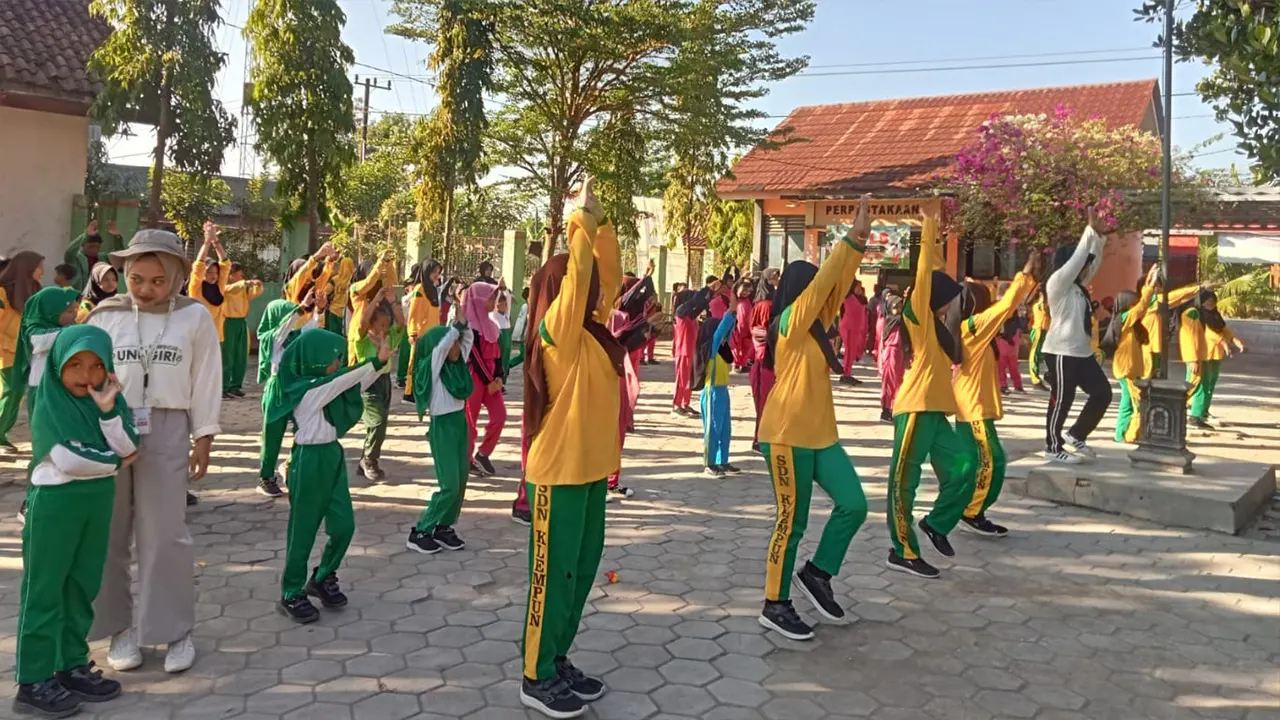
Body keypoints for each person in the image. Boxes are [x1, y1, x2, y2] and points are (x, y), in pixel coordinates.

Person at [88, 229, 221, 674]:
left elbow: (205, 376)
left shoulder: (194, 317)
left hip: (167, 426)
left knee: (164, 532)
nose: (145, 289)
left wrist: (203, 435)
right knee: (108, 532)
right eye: (137, 278)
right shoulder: (104, 316)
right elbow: (82, 376)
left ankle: (173, 629)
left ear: (179, 277)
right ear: (124, 273)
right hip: (109, 426)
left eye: (158, 281)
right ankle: (118, 628)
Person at [519, 178, 623, 718]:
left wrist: (601, 224)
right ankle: (535, 673)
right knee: (550, 576)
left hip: (589, 474)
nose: (594, 296)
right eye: (580, 291)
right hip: (557, 476)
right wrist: (577, 221)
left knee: (581, 572)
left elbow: (607, 275)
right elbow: (581, 273)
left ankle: (558, 656)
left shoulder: (594, 334)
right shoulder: (556, 334)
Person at [755, 197, 871, 642]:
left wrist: (857, 242)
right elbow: (826, 283)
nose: (825, 299)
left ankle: (818, 573)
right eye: (815, 292)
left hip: (821, 436)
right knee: (792, 520)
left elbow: (835, 285)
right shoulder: (789, 321)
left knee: (854, 504)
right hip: (786, 436)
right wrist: (846, 241)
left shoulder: (818, 326)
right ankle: (775, 603)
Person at [14, 325, 137, 718]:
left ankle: (70, 664)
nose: (86, 375)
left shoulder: (106, 402)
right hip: (55, 504)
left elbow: (130, 444)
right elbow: (69, 459)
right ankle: (32, 681)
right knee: (45, 590)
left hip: (96, 502)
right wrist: (115, 462)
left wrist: (107, 412)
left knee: (82, 585)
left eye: (97, 365)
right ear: (57, 367)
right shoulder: (49, 402)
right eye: (76, 365)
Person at [265, 328, 390, 623]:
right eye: (334, 357)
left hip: (331, 455)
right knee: (303, 532)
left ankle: (322, 577)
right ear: (316, 359)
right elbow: (343, 379)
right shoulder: (306, 390)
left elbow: (355, 380)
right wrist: (374, 361)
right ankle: (291, 592)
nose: (338, 362)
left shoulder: (324, 386)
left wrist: (380, 361)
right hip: (308, 461)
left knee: (344, 525)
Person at [884, 214, 973, 580]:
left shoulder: (938, 327)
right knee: (904, 482)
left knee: (967, 466)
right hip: (915, 408)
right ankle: (902, 550)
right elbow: (924, 272)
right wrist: (930, 227)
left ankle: (936, 523)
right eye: (951, 299)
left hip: (936, 412)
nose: (955, 305)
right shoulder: (917, 315)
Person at [949, 255, 1039, 540]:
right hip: (974, 408)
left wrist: (1030, 281)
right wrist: (1024, 275)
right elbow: (1006, 306)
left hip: (971, 405)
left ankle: (954, 509)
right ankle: (972, 512)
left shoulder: (971, 331)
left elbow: (1008, 308)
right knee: (993, 462)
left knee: (970, 463)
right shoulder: (973, 328)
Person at [1041, 208, 1110, 464]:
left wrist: (1099, 239)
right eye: (1083, 266)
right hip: (1060, 353)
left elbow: (1093, 261)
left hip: (1082, 353)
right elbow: (1079, 258)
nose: (1086, 269)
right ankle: (1052, 446)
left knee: (1102, 393)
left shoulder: (1079, 287)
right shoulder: (1058, 283)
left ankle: (1076, 433)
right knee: (1063, 399)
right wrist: (1088, 231)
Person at [407, 322, 475, 555]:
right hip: (442, 428)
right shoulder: (433, 370)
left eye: (457, 343)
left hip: (459, 424)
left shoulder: (458, 367)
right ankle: (421, 530)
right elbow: (440, 348)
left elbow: (468, 341)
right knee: (449, 485)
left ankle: (443, 526)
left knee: (461, 481)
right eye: (451, 344)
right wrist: (453, 329)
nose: (456, 348)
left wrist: (463, 328)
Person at [254, 296, 326, 497]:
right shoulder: (272, 338)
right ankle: (265, 477)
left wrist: (319, 310)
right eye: (286, 315)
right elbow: (281, 331)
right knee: (272, 435)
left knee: (303, 431)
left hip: (297, 388)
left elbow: (312, 328)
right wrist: (298, 311)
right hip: (277, 390)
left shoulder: (296, 337)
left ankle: (291, 467)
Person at [353, 288, 407, 482]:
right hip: (368, 383)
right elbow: (362, 322)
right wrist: (375, 299)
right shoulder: (362, 339)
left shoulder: (390, 337)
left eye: (387, 325)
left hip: (384, 381)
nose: (384, 330)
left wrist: (393, 302)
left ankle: (365, 458)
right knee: (377, 422)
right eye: (380, 325)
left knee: (379, 423)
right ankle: (370, 460)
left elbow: (402, 323)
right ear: (371, 324)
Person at [0, 251, 44, 455]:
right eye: (38, 266)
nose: (42, 271)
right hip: (6, 351)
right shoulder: (2, 292)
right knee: (10, 391)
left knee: (16, 394)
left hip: (24, 350)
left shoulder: (34, 290)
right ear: (26, 267)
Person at [1111, 265, 1160, 443]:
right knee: (1135, 403)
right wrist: (1150, 285)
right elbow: (1141, 307)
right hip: (1127, 369)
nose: (1136, 307)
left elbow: (1142, 308)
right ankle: (1128, 435)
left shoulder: (1132, 323)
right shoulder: (1123, 319)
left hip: (1130, 369)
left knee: (1128, 402)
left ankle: (1123, 433)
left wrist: (1149, 282)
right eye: (1132, 303)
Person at [1183, 289, 1244, 429]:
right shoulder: (1195, 315)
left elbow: (1223, 329)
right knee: (1201, 386)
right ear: (1201, 301)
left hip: (1215, 355)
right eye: (1208, 301)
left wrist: (1235, 340)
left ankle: (1203, 412)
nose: (1211, 303)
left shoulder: (1214, 314)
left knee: (1210, 385)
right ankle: (1195, 416)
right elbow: (1206, 332)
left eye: (1213, 300)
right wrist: (1222, 341)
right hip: (1203, 355)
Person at [462, 282, 505, 477]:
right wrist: (489, 380)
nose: (494, 301)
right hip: (475, 378)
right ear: (478, 300)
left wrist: (499, 377)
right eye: (490, 297)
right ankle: (466, 460)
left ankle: (483, 453)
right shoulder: (468, 328)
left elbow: (498, 356)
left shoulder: (492, 325)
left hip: (491, 381)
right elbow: (475, 357)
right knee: (470, 421)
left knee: (500, 416)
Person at [695, 309, 738, 477]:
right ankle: (709, 463)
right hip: (711, 393)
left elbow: (728, 330)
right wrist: (731, 312)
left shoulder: (722, 350)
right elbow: (720, 331)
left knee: (725, 429)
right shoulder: (710, 350)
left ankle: (722, 461)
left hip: (723, 392)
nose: (725, 336)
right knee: (712, 429)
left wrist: (733, 320)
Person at [1140, 279, 1202, 379]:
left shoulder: (1155, 304)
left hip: (1151, 348)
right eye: (1155, 286)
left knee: (1150, 377)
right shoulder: (1150, 302)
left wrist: (1196, 290)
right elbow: (1175, 297)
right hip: (1146, 348)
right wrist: (1199, 288)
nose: (1159, 289)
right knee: (1145, 378)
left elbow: (1178, 299)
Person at [187, 222, 231, 358]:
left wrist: (215, 242)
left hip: (216, 338)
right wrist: (206, 243)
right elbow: (198, 266)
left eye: (215, 273)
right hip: (196, 337)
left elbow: (225, 264)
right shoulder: (196, 288)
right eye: (209, 272)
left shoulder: (219, 288)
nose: (213, 276)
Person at [221, 262, 264, 399]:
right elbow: (230, 289)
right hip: (228, 322)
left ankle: (235, 385)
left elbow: (254, 293)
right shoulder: (225, 287)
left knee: (241, 356)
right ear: (232, 275)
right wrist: (245, 283)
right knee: (228, 355)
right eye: (239, 274)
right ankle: (224, 386)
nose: (242, 277)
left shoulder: (242, 288)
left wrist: (258, 285)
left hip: (240, 322)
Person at [405, 260, 443, 401]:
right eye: (434, 272)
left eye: (438, 273)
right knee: (416, 363)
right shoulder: (420, 289)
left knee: (429, 365)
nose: (437, 276)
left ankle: (424, 389)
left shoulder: (433, 289)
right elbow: (414, 313)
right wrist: (412, 332)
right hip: (420, 335)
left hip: (433, 334)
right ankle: (411, 392)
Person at [748, 276, 775, 450]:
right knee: (767, 403)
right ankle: (762, 438)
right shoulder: (767, 306)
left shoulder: (756, 305)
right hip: (767, 361)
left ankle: (759, 437)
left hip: (758, 360)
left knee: (761, 404)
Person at [65, 220, 122, 292]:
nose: (94, 250)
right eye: (91, 246)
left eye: (97, 247)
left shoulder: (103, 258)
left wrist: (117, 238)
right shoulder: (75, 258)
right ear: (82, 246)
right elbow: (69, 251)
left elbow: (119, 256)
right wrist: (85, 235)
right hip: (79, 297)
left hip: (100, 296)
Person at [878, 291, 908, 423]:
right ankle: (886, 409)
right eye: (896, 307)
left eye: (900, 307)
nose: (898, 310)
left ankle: (894, 408)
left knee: (898, 381)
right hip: (891, 352)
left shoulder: (899, 321)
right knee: (889, 382)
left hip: (899, 352)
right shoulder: (892, 320)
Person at [669, 282, 696, 415]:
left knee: (688, 380)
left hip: (690, 350)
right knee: (681, 379)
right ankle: (676, 404)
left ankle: (686, 402)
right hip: (683, 351)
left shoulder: (690, 317)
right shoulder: (681, 316)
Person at [838, 281, 868, 384]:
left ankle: (848, 373)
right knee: (849, 352)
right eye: (857, 287)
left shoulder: (860, 298)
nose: (860, 289)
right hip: (849, 328)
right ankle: (845, 375)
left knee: (852, 352)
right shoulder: (848, 297)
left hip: (856, 328)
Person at [996, 307, 1027, 394]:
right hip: (1003, 346)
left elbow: (1022, 327)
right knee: (1001, 368)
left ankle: (1017, 385)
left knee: (1013, 368)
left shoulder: (1017, 321)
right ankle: (1003, 385)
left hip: (1012, 349)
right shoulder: (1001, 320)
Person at [1028, 289, 1050, 389]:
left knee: (1043, 355)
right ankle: (1035, 379)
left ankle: (1046, 376)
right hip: (1038, 330)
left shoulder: (1043, 305)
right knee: (1034, 354)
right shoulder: (1039, 305)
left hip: (1044, 330)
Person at [731, 280, 753, 372]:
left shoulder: (748, 300)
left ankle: (743, 364)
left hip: (747, 327)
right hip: (736, 326)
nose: (745, 293)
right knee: (736, 345)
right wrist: (743, 277)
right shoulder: (734, 299)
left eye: (748, 291)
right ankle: (736, 363)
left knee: (746, 345)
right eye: (744, 290)